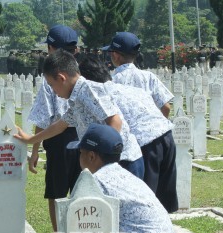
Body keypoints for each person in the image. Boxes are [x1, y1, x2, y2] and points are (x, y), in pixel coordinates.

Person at [70, 123, 184, 233]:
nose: (79, 157)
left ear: (91, 156)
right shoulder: (126, 176)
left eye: (80, 152)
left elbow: (78, 230)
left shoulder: (95, 181)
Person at [16, 49, 143, 178]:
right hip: (111, 162)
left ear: (61, 78)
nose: (53, 91)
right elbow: (60, 125)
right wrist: (31, 139)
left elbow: (115, 121)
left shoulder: (88, 90)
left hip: (123, 161)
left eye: (52, 85)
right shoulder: (77, 98)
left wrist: (104, 157)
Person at [79, 57, 178, 213]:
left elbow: (115, 123)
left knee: (144, 203)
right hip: (166, 136)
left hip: (145, 143)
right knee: (163, 199)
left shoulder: (99, 95)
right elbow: (165, 107)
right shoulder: (132, 90)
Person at [27, 25, 82, 233]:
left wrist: (34, 149)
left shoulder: (51, 75)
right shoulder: (81, 71)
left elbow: (44, 116)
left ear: (50, 48)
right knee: (83, 191)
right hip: (84, 137)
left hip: (59, 139)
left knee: (57, 194)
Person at [102, 32, 173, 118]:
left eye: (110, 53)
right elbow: (166, 107)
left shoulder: (112, 81)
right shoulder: (149, 77)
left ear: (115, 55)